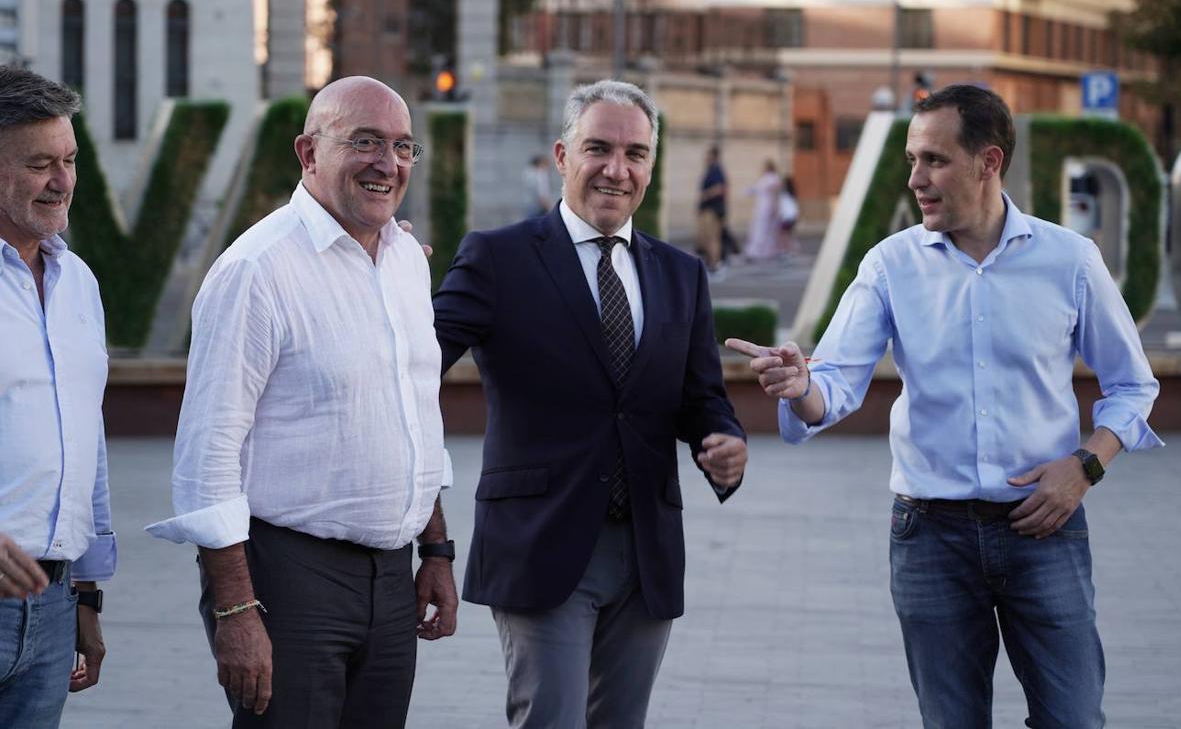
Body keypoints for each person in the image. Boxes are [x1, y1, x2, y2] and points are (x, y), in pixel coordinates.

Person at [727, 84, 1161, 728]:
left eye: (934, 160)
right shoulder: (888, 266)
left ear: (988, 162)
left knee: (1074, 720)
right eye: (910, 160)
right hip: (929, 537)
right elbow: (836, 384)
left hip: (1044, 528)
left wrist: (1086, 467)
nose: (916, 180)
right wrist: (801, 389)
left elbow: (1132, 385)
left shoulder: (1069, 260)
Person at [434, 80, 748, 729]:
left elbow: (702, 398)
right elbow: (414, 363)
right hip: (541, 542)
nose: (616, 168)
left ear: (651, 167)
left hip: (646, 554)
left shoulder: (681, 273)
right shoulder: (497, 258)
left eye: (635, 154)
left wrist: (723, 441)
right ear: (561, 155)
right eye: (598, 148)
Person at [147, 76, 457, 727]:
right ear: (308, 153)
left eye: (402, 146)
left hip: (392, 579)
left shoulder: (405, 259)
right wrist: (235, 610)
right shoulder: (255, 271)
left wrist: (435, 550)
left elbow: (412, 415)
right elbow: (207, 458)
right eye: (364, 142)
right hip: (287, 580)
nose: (387, 162)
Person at [0, 66, 114, 728]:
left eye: (68, 159)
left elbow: (86, 436)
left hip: (51, 605)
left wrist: (87, 593)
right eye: (40, 163)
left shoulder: (79, 283)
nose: (62, 180)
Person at [743, 159, 783, 260]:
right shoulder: (764, 179)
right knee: (759, 228)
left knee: (764, 229)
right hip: (761, 206)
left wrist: (775, 207)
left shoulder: (774, 178)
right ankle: (758, 251)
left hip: (768, 207)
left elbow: (775, 194)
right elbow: (757, 189)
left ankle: (762, 251)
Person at [697, 144, 726, 271]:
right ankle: (711, 262)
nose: (705, 157)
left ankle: (715, 264)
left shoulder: (716, 170)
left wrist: (706, 195)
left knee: (712, 237)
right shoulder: (711, 169)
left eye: (708, 155)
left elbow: (720, 188)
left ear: (713, 156)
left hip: (712, 209)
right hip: (708, 208)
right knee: (707, 238)